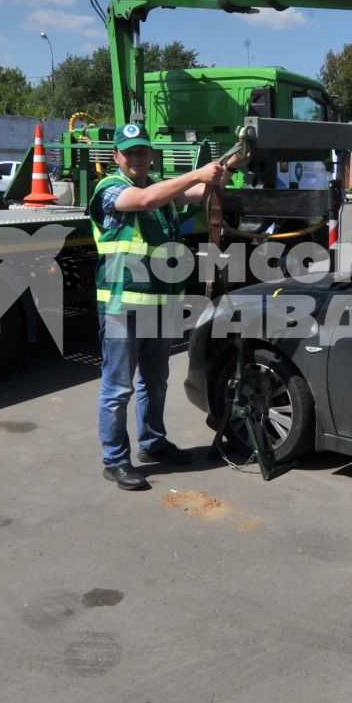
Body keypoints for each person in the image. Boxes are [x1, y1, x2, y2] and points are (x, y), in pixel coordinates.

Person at [90, 124, 227, 491]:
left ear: (151, 155)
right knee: (118, 388)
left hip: (160, 304)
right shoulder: (110, 189)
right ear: (116, 157)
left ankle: (153, 443)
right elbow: (146, 200)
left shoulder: (161, 188)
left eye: (142, 151)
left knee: (156, 382)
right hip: (122, 306)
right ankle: (115, 461)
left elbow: (199, 192)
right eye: (129, 152)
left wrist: (223, 171)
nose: (137, 157)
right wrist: (199, 173)